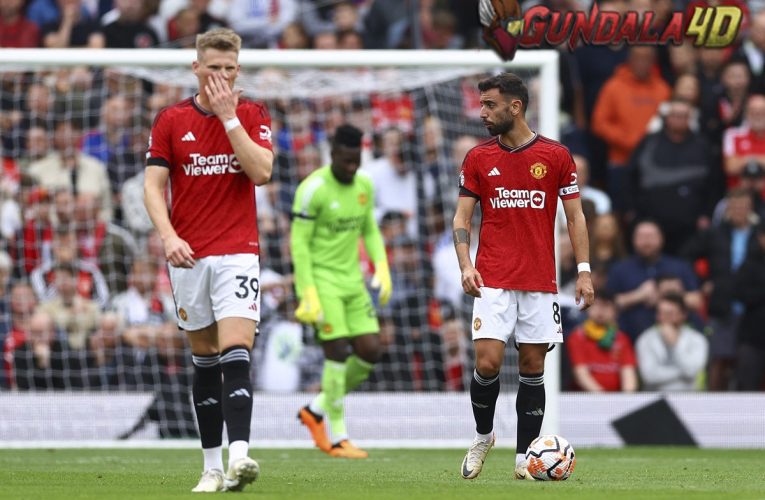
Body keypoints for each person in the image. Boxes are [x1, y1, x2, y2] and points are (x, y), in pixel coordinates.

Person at [143, 28, 273, 493]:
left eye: (229, 69)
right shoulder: (171, 120)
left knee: (237, 349)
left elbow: (261, 172)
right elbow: (153, 187)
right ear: (195, 67)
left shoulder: (253, 113)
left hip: (238, 252)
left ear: (238, 70)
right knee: (205, 360)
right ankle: (211, 467)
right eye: (213, 67)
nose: (221, 76)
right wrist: (168, 236)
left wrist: (229, 119)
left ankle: (239, 456)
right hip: (188, 256)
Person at [453, 73, 594, 481]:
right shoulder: (478, 158)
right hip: (492, 277)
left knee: (533, 366)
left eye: (490, 105)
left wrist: (583, 271)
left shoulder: (555, 156)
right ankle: (483, 436)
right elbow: (462, 217)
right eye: (482, 104)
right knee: (488, 361)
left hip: (539, 280)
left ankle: (524, 457)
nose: (482, 113)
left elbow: (575, 216)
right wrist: (466, 263)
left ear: (515, 107)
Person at [291, 124, 392, 459]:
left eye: (357, 160)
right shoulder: (312, 189)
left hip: (352, 282)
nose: (352, 167)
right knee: (335, 355)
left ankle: (315, 409)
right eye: (347, 161)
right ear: (333, 154)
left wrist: (381, 266)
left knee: (370, 351)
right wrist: (307, 292)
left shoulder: (364, 184)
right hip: (322, 283)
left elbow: (370, 230)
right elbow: (299, 244)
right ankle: (338, 436)